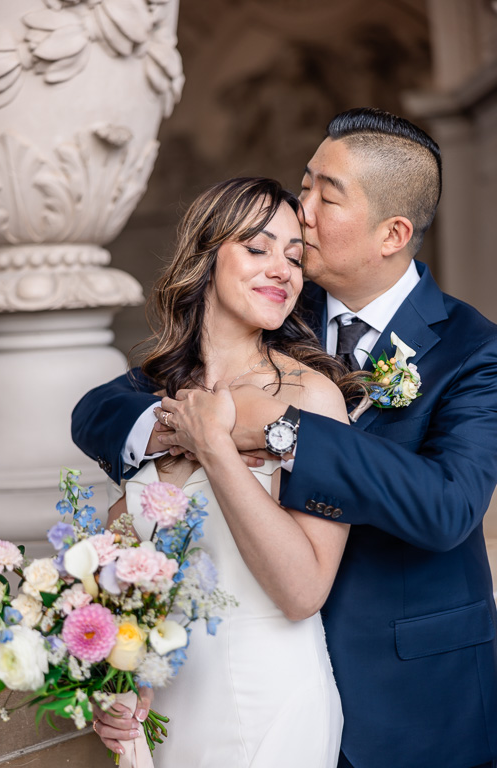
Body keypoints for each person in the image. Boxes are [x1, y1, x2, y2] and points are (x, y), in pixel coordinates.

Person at [72, 109, 497, 768]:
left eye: (325, 197)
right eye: (304, 186)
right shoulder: (272, 302)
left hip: (410, 696)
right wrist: (168, 429)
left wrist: (270, 431)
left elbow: (447, 508)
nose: (299, 215)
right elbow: (104, 408)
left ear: (394, 233)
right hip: (216, 675)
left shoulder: (471, 349)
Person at [88, 177, 359, 767]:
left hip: (267, 696)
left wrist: (214, 446)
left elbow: (303, 590)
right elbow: (116, 565)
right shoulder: (158, 404)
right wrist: (111, 678)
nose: (283, 270)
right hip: (168, 708)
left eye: (295, 256)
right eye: (257, 248)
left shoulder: (310, 399)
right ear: (206, 257)